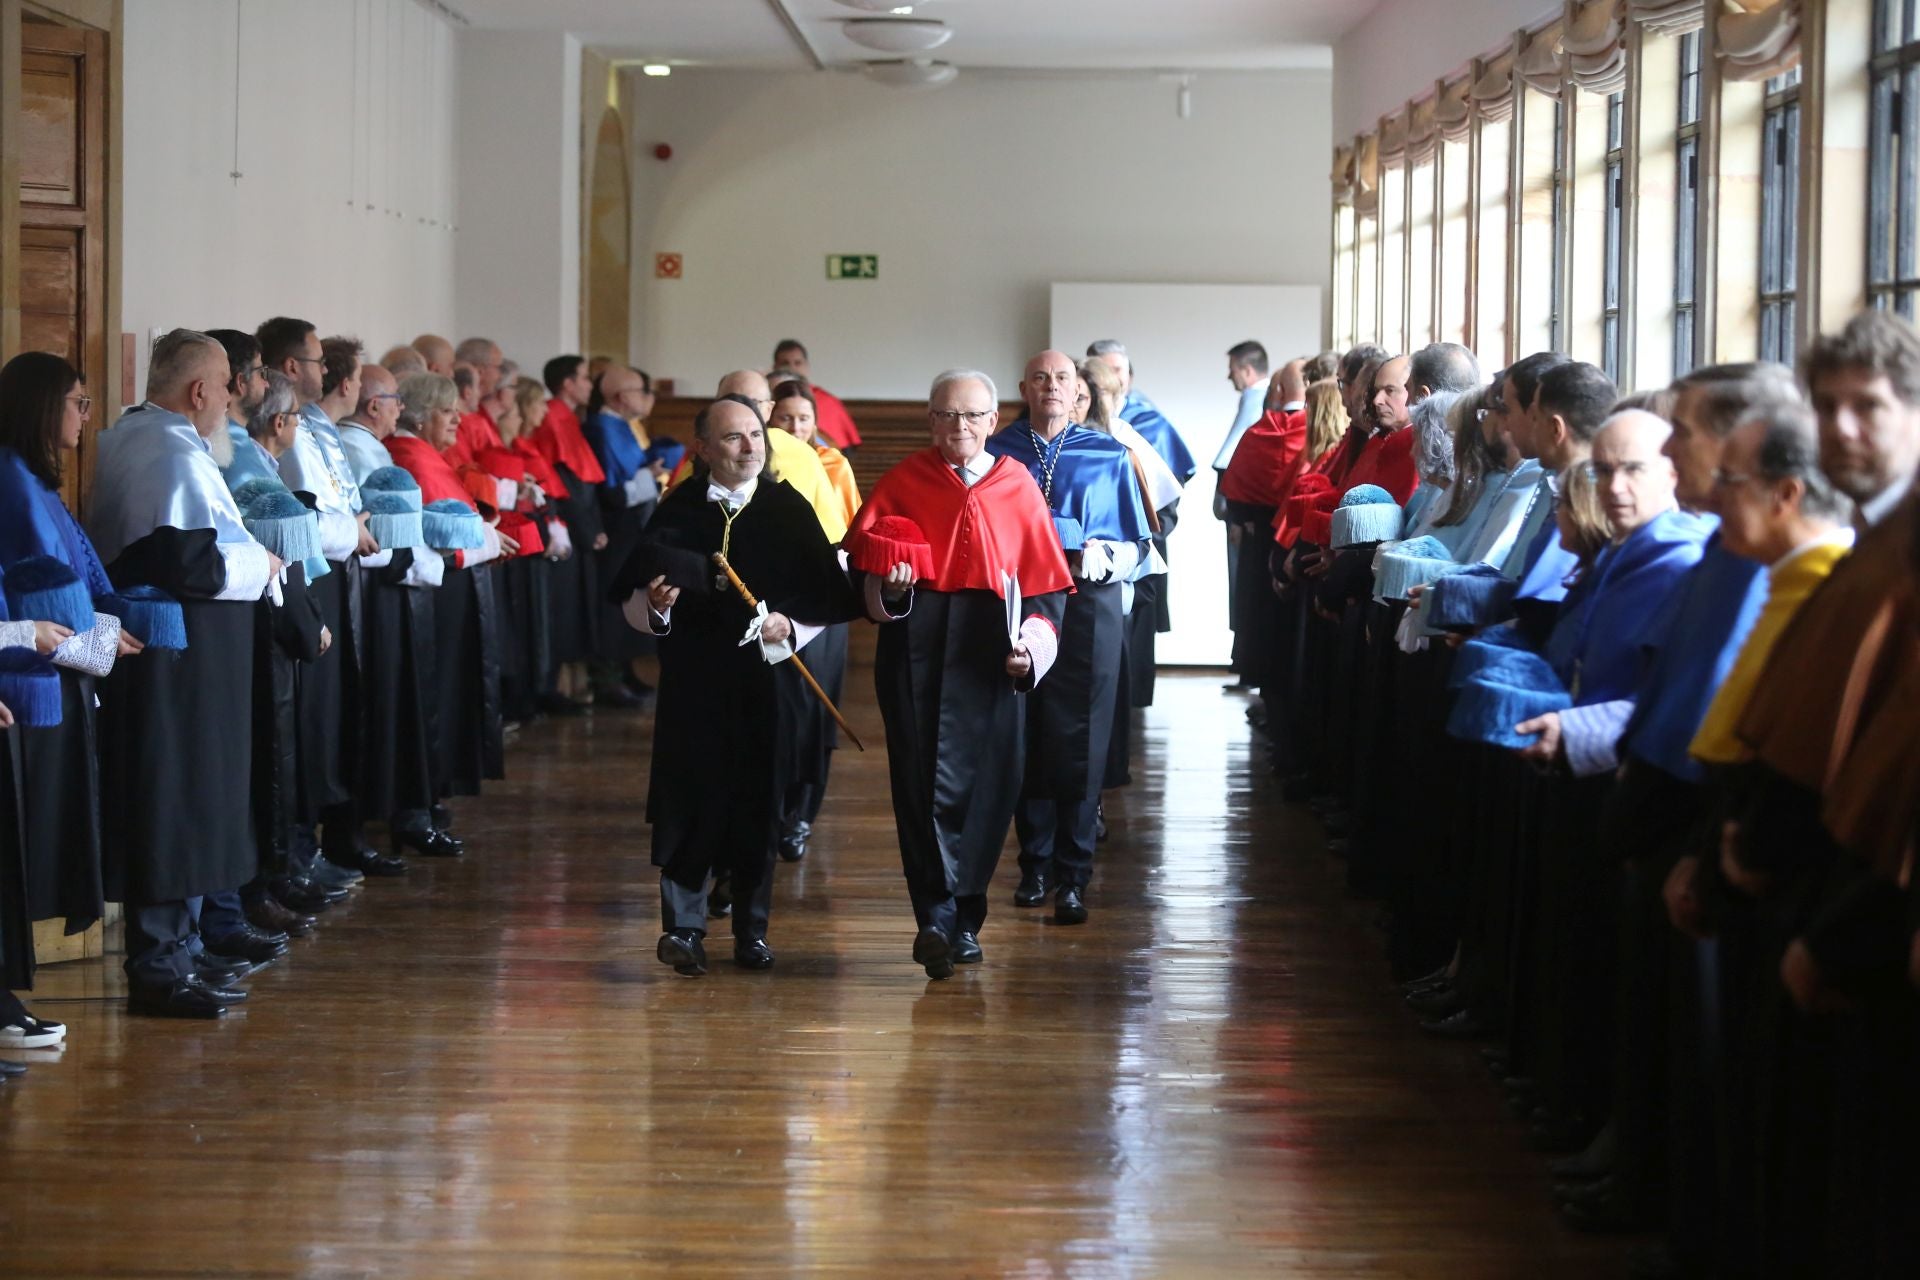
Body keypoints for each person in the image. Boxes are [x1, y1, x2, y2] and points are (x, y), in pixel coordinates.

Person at [613, 396, 858, 976]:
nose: (750, 447)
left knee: (758, 800)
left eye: (755, 435)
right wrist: (656, 607)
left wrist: (789, 624)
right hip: (694, 684)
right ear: (702, 449)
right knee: (689, 796)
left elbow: (824, 597)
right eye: (733, 437)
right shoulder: (678, 511)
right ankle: (683, 928)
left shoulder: (787, 507)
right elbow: (630, 600)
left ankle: (751, 929)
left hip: (764, 685)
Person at [843, 368, 1072, 976]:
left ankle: (966, 916)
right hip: (914, 651)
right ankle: (935, 920)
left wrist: (1030, 650)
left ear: (993, 422)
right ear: (931, 420)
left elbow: (1047, 593)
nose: (959, 426)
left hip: (992, 656)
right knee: (918, 786)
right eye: (946, 414)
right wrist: (892, 590)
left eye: (971, 415)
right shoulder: (902, 481)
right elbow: (860, 578)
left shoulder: (1018, 485)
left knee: (992, 788)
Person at [88, 329, 279, 1018]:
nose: (232, 398)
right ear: (199, 391)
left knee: (189, 804)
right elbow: (191, 564)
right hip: (177, 670)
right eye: (226, 385)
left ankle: (183, 952)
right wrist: (265, 563)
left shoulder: (139, 438)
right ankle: (162, 966)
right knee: (174, 805)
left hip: (189, 666)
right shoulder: (168, 452)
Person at [0, 352, 140, 1041]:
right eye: (78, 403)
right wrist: (99, 642)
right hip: (25, 683)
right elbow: (38, 600)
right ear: (41, 406)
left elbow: (74, 588)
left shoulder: (32, 479)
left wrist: (109, 630)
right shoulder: (13, 482)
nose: (87, 417)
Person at [987, 350, 1153, 925]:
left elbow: (1139, 547)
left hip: (1090, 604)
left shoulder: (1109, 454)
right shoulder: (998, 453)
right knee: (1026, 727)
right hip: (1021, 601)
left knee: (1084, 735)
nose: (1052, 387)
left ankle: (1075, 873)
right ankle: (1034, 865)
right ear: (1024, 388)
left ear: (1078, 390)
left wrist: (1098, 558)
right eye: (1041, 378)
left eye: (1062, 378)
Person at [386, 374, 511, 806]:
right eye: (446, 411)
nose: (458, 419)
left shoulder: (426, 453)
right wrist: (487, 539)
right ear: (419, 418)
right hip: (439, 598)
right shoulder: (413, 457)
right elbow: (444, 539)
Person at [581, 365, 663, 709]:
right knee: (613, 601)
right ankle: (608, 677)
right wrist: (648, 477)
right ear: (619, 397)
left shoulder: (621, 426)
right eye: (640, 391)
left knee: (630, 596)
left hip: (633, 526)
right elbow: (611, 488)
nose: (646, 397)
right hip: (615, 527)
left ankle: (627, 669)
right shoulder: (601, 428)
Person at [532, 355, 609, 711]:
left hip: (581, 525)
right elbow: (562, 481)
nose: (590, 385)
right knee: (562, 608)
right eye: (584, 378)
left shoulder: (570, 418)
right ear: (567, 383)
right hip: (568, 527)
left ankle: (571, 684)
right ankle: (554, 688)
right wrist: (587, 528)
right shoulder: (553, 417)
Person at [1087, 339, 1196, 484]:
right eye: (1104, 371)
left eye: (1117, 370)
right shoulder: (1077, 421)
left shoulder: (1153, 422)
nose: (1112, 378)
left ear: (1129, 375)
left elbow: (1174, 480)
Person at [772, 339, 862, 449]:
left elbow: (845, 449)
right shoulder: (767, 398)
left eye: (798, 363)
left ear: (807, 366)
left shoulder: (827, 401)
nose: (792, 368)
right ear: (775, 367)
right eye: (785, 363)